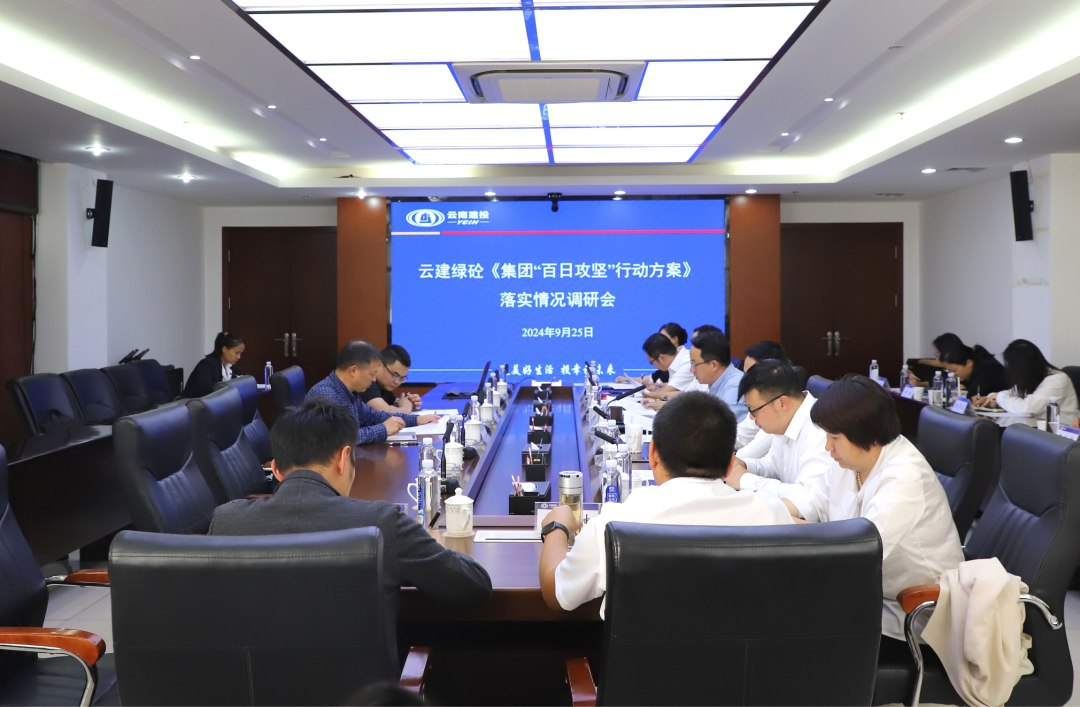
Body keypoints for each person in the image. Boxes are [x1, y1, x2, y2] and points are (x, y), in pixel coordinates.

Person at [209, 398, 492, 667]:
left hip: (250, 690)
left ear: (276, 470)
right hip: (362, 694)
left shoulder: (226, 523)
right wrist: (437, 545)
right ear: (344, 459)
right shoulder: (382, 522)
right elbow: (475, 588)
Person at [538, 392, 793, 615]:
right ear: (730, 465)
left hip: (644, 659)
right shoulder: (771, 515)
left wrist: (556, 527)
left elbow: (555, 594)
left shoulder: (614, 525)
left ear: (652, 454)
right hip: (747, 658)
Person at [785, 374, 964, 641]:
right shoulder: (852, 460)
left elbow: (860, 551)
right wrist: (766, 512)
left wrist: (788, 526)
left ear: (865, 432)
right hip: (869, 595)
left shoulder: (904, 475)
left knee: (794, 618)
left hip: (915, 613)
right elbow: (813, 500)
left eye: (834, 437)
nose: (827, 447)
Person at [724, 361, 831, 519]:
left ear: (782, 403)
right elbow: (773, 466)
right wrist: (744, 465)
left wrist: (746, 480)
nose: (752, 418)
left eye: (753, 410)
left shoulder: (819, 430)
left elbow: (809, 501)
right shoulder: (786, 421)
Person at [307, 340, 441, 445]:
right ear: (354, 371)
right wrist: (383, 429)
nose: (374, 379)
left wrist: (417, 420)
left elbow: (374, 416)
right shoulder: (326, 394)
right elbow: (341, 439)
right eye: (372, 374)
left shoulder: (350, 392)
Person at [645, 330, 745, 420]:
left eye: (694, 364)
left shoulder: (734, 387)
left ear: (714, 365)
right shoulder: (714, 381)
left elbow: (722, 427)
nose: (691, 369)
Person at [973, 339, 1079, 420]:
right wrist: (989, 399)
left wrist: (1000, 397)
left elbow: (1026, 408)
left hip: (1060, 435)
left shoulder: (1057, 380)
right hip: (1037, 429)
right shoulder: (1034, 376)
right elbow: (1013, 393)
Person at [734, 340, 789, 453]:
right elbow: (740, 435)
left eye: (750, 375)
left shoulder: (773, 409)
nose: (745, 381)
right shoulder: (759, 401)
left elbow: (746, 454)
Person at [361, 345, 422, 413]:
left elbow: (390, 403)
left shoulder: (384, 386)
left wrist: (404, 401)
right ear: (379, 365)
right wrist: (406, 408)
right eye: (395, 375)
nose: (397, 382)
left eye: (402, 378)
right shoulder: (368, 382)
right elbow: (385, 412)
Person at [182, 332, 245, 398]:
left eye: (240, 353)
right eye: (237, 353)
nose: (239, 357)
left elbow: (246, 377)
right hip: (194, 402)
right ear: (225, 349)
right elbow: (206, 389)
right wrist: (232, 384)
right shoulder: (206, 365)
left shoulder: (229, 366)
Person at [938, 343, 1007, 399]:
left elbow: (972, 398)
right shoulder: (974, 367)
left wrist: (963, 391)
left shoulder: (987, 370)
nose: (953, 375)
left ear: (969, 363)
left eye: (954, 370)